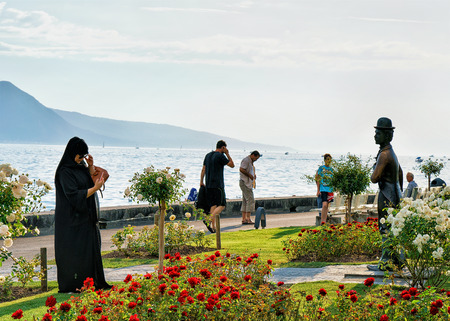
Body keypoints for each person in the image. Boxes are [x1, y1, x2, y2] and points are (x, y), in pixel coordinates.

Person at [54, 137, 111, 292]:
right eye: (80, 156)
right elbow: (73, 195)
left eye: (84, 156)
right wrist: (96, 188)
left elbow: (86, 181)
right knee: (75, 252)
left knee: (89, 250)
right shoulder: (64, 171)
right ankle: (74, 285)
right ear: (72, 153)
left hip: (85, 217)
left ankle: (91, 282)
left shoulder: (80, 166)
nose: (81, 159)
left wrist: (91, 167)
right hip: (71, 219)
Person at [368, 117, 403, 271]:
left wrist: (374, 166)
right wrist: (399, 193)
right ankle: (396, 260)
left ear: (387, 135)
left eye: (378, 133)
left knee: (385, 228)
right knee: (392, 228)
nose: (375, 135)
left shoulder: (384, 155)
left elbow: (374, 178)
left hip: (386, 195)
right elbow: (400, 173)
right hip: (394, 194)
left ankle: (385, 262)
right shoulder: (391, 152)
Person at [200, 140, 234, 233]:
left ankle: (213, 227)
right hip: (218, 185)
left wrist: (201, 181)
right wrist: (227, 154)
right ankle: (208, 220)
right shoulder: (220, 156)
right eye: (225, 148)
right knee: (222, 205)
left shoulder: (208, 155)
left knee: (213, 206)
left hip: (208, 184)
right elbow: (232, 165)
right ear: (223, 147)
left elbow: (203, 169)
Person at [239, 151, 260, 224]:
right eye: (256, 158)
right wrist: (250, 175)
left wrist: (253, 175)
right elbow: (241, 169)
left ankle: (244, 219)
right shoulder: (246, 160)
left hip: (246, 182)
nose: (255, 160)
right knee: (250, 200)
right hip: (245, 182)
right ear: (253, 155)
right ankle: (248, 219)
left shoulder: (250, 161)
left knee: (245, 200)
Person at [315, 153, 334, 223]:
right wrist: (318, 190)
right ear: (325, 160)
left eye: (330, 160)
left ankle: (324, 221)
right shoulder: (321, 168)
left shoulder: (331, 170)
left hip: (330, 190)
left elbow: (333, 180)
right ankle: (322, 222)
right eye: (328, 159)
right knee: (324, 205)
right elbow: (318, 179)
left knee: (327, 206)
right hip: (323, 189)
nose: (329, 161)